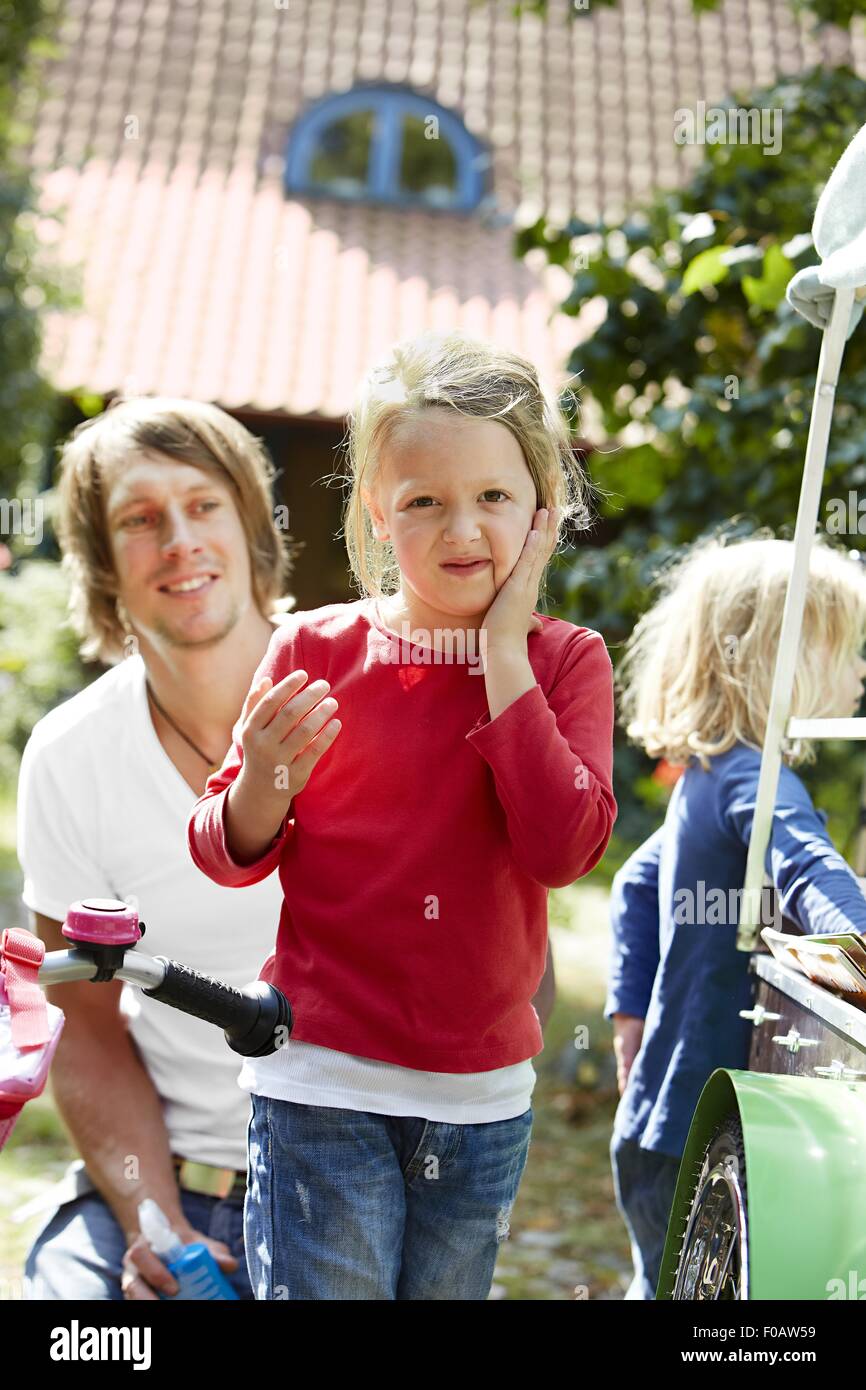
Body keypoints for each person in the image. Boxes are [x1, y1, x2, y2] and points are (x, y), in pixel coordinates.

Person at [187, 330, 619, 1300]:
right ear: (379, 512)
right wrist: (263, 779)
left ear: (541, 513)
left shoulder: (563, 662)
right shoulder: (312, 647)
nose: (461, 530)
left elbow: (562, 849)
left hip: (480, 1103)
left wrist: (503, 657)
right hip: (322, 1085)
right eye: (423, 502)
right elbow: (222, 849)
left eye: (493, 499)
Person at [17, 397, 300, 1300]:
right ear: (104, 566)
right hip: (169, 1182)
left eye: (203, 505)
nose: (178, 540)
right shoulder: (69, 757)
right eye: (140, 520)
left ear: (251, 525)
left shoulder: (371, 692)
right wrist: (155, 1223)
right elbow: (86, 1030)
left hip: (354, 1188)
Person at [605, 530, 866, 1299]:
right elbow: (810, 865)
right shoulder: (757, 776)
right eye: (845, 648)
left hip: (661, 1116)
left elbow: (638, 886)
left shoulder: (708, 773)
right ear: (776, 661)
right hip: (707, 1128)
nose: (859, 670)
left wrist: (629, 1016)